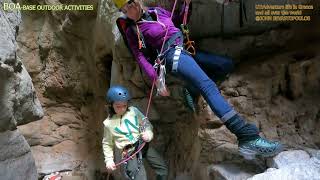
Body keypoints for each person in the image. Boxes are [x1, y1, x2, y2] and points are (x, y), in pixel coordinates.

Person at [111, 0, 283, 159]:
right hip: (173, 57)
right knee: (208, 86)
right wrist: (156, 79)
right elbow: (140, 57)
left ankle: (191, 90)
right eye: (124, 10)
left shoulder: (156, 11)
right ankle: (246, 136)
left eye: (130, 5)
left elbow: (177, 19)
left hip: (185, 50)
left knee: (226, 65)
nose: (129, 12)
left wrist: (186, 5)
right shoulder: (133, 30)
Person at [102, 85, 168, 180]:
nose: (122, 109)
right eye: (118, 106)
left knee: (162, 169)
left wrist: (148, 134)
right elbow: (107, 143)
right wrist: (108, 160)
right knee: (140, 178)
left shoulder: (133, 111)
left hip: (142, 144)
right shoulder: (108, 124)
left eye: (124, 106)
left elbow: (146, 124)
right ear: (111, 105)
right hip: (129, 152)